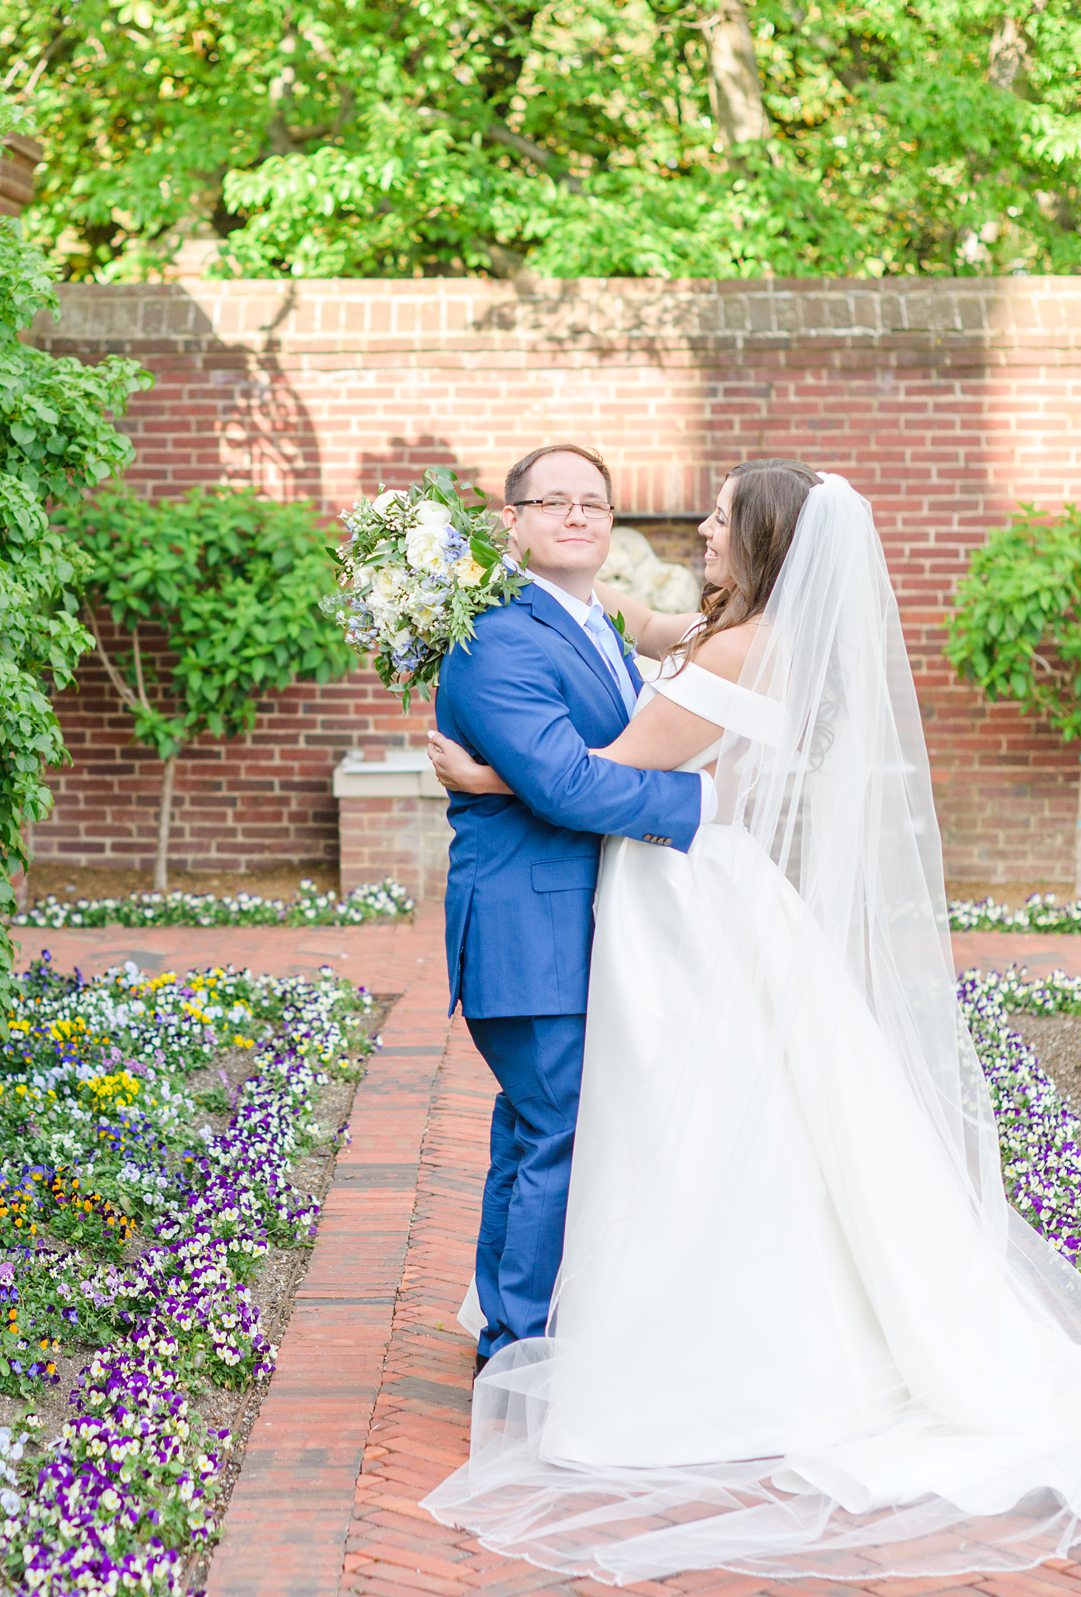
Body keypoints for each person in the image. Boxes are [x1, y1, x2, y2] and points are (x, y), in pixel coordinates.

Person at [419, 461, 1081, 1584]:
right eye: (562, 504)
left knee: (672, 1117)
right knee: (652, 1115)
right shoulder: (705, 626)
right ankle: (548, 1320)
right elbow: (627, 628)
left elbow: (589, 779)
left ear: (767, 543)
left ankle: (620, 1331)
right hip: (678, 891)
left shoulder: (741, 646)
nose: (697, 525)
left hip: (682, 888)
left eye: (721, 517)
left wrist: (497, 780)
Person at [432, 443, 712, 1376]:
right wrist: (706, 808)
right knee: (564, 1128)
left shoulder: (594, 623)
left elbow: (589, 757)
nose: (579, 515)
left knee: (535, 1128)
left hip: (579, 921)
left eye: (594, 501)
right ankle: (521, 1354)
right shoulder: (499, 635)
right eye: (554, 500)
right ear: (509, 522)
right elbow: (564, 784)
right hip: (529, 923)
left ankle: (508, 1340)